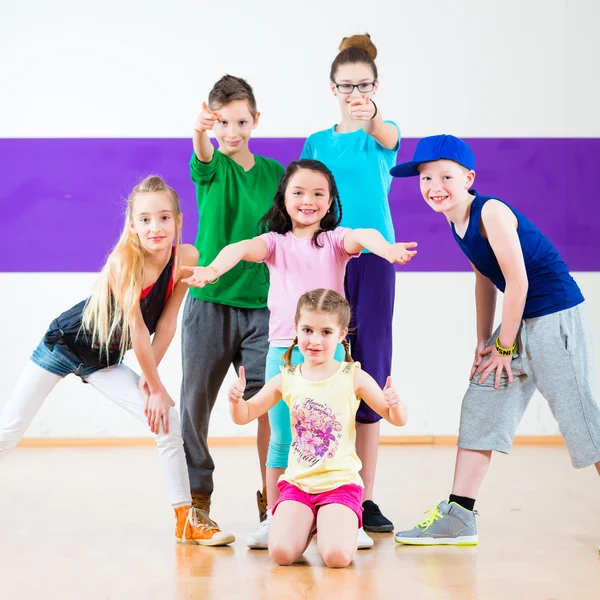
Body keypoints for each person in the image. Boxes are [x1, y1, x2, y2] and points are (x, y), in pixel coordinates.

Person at [182, 159, 417, 549]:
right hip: (284, 354)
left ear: (329, 202)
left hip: (332, 360)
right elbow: (239, 248)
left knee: (337, 436)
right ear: (284, 198)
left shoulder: (335, 241)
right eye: (299, 193)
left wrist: (388, 249)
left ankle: (347, 515)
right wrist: (212, 270)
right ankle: (276, 517)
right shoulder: (276, 244)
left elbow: (365, 234)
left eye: (318, 194)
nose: (308, 201)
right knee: (282, 439)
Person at [390, 134, 600, 547]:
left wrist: (505, 346)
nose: (435, 187)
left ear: (469, 177)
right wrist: (484, 342)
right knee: (481, 402)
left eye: (446, 176)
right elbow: (485, 278)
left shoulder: (492, 212)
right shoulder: (456, 219)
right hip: (517, 319)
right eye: (426, 178)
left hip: (553, 315)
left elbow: (518, 281)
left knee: (579, 420)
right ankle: (458, 517)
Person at [0, 175, 234, 545]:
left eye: (163, 217)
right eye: (144, 219)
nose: (154, 227)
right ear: (132, 225)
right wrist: (155, 386)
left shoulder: (186, 257)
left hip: (104, 359)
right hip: (63, 344)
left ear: (179, 220)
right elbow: (138, 331)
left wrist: (148, 381)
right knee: (10, 428)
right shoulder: (124, 261)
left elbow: (168, 323)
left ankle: (184, 518)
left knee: (167, 422)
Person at [300, 33, 401, 533]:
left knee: (371, 371)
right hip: (327, 259)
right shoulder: (317, 142)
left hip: (375, 261)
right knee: (324, 371)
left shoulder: (383, 134)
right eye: (346, 86)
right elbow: (306, 201)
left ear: (376, 86)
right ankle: (319, 489)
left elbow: (386, 136)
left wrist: (374, 114)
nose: (355, 93)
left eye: (363, 85)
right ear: (332, 88)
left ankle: (365, 498)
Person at [227, 289, 408, 567]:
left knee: (336, 557)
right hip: (299, 485)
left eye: (325, 332)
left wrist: (395, 403)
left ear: (341, 334)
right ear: (296, 329)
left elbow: (397, 418)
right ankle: (308, 521)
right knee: (281, 554)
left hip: (340, 486)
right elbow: (245, 415)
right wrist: (236, 400)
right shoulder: (286, 377)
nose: (314, 340)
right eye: (308, 330)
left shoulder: (353, 376)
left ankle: (332, 520)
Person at [182, 75, 285, 528]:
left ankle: (274, 500)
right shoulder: (211, 167)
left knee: (271, 406)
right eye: (222, 122)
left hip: (265, 308)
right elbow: (202, 151)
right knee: (194, 404)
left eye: (241, 122)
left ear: (256, 120)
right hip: (209, 304)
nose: (232, 132)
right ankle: (196, 500)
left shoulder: (277, 174)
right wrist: (199, 129)